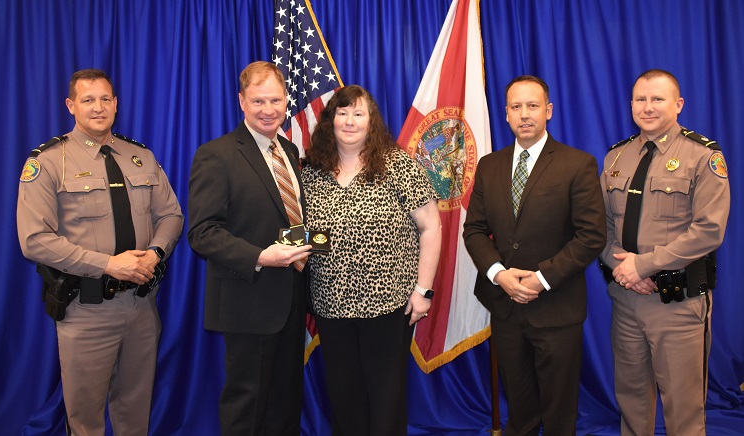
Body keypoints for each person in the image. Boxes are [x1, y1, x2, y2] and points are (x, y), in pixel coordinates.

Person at [16, 69, 184, 435]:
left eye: (105, 99)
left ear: (116, 104)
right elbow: (34, 240)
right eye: (88, 100)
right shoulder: (48, 162)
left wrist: (155, 252)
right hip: (86, 311)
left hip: (141, 307)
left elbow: (171, 214)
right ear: (70, 105)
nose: (98, 107)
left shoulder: (140, 155)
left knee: (135, 414)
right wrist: (109, 264)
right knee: (85, 420)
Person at [463, 75, 606, 435]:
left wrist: (541, 279)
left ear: (548, 111)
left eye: (532, 106)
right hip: (506, 306)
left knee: (559, 414)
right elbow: (475, 230)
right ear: (506, 114)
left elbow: (591, 237)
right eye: (515, 107)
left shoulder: (578, 164)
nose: (524, 114)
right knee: (520, 410)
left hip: (556, 307)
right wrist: (499, 273)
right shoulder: (489, 166)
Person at [301, 84, 442, 436]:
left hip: (389, 305)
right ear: (330, 119)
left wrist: (423, 292)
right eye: (342, 112)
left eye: (358, 113)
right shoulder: (311, 172)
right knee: (344, 396)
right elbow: (306, 235)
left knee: (386, 397)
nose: (350, 121)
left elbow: (431, 228)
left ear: (371, 120)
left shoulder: (398, 165)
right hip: (331, 306)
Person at [599, 69, 730, 435]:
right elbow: (601, 229)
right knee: (631, 401)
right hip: (626, 299)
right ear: (631, 105)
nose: (648, 107)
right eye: (640, 99)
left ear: (678, 104)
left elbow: (709, 230)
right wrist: (621, 266)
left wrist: (644, 265)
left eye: (658, 99)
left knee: (684, 408)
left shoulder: (702, 156)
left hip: (678, 303)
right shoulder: (615, 158)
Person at [187, 61, 312, 436]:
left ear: (286, 100)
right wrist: (260, 256)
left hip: (292, 299)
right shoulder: (217, 154)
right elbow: (202, 232)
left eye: (276, 100)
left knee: (285, 402)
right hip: (248, 301)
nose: (269, 110)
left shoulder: (289, 151)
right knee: (247, 405)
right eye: (259, 101)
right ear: (241, 101)